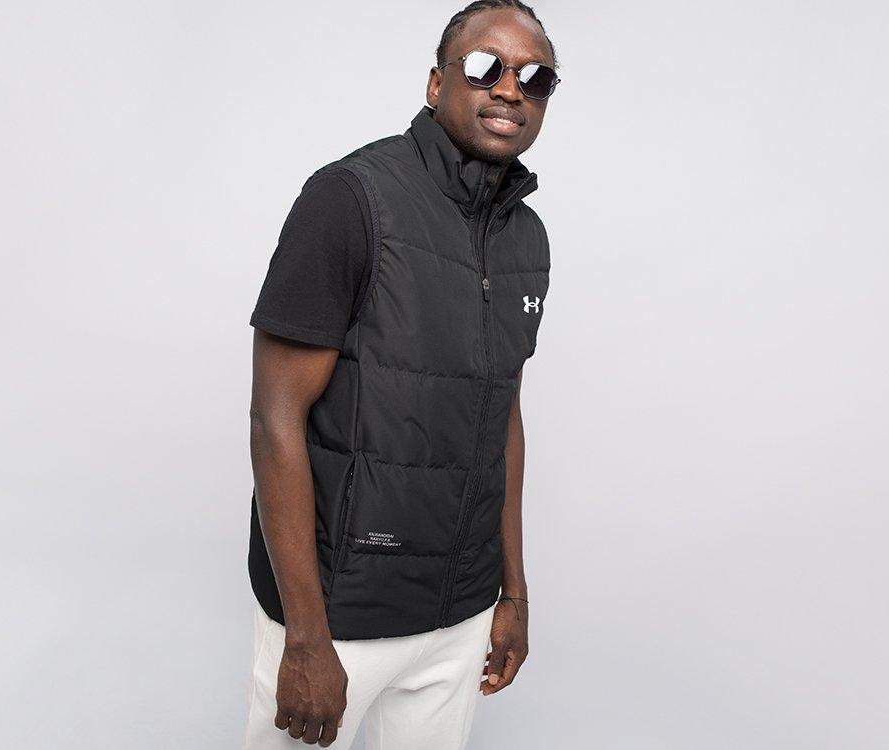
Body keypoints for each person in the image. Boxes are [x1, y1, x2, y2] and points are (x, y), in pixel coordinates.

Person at [242, 2, 560, 747]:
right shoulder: (350, 198)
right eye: (485, 66)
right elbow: (274, 417)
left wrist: (511, 592)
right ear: (436, 83)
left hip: (460, 615)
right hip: (339, 617)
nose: (510, 88)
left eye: (536, 77)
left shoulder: (527, 237)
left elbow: (503, 413)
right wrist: (306, 638)